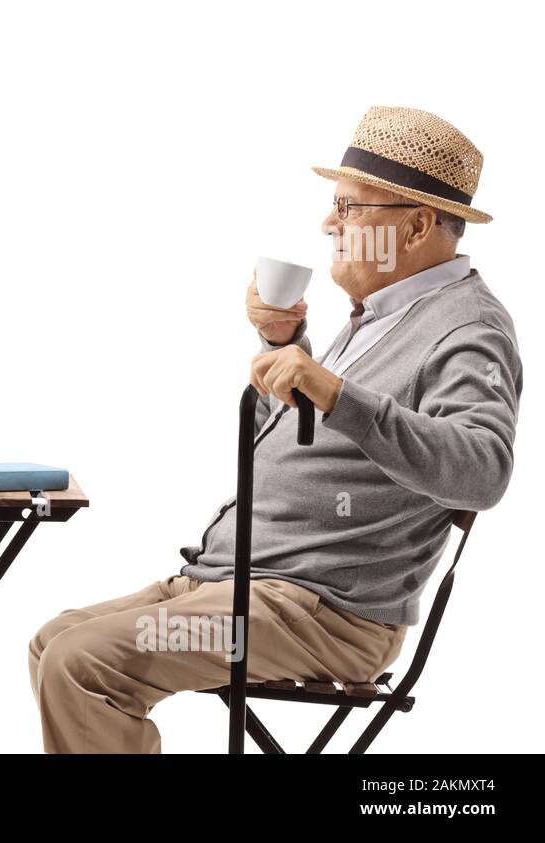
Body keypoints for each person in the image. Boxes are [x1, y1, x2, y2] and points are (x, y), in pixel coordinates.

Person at [28, 106, 523, 753]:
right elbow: (302, 441)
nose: (328, 224)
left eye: (350, 207)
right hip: (244, 591)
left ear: (419, 224)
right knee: (52, 642)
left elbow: (482, 470)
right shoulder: (380, 317)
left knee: (82, 661)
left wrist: (332, 387)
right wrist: (284, 343)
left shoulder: (468, 327)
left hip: (320, 617)